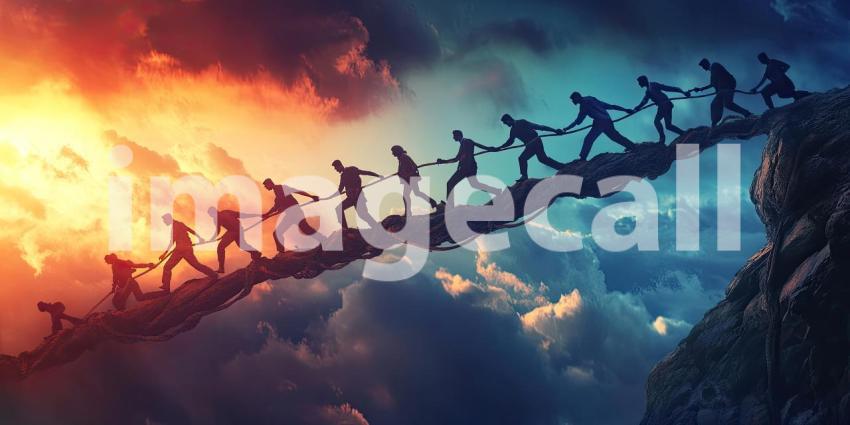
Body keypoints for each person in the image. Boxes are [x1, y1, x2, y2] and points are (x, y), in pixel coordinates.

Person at [563, 92, 637, 161]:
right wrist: (625, 109)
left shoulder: (583, 106)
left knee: (589, 139)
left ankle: (582, 158)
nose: (573, 101)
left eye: (573, 99)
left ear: (577, 97)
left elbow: (578, 121)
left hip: (599, 122)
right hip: (607, 120)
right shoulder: (590, 98)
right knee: (615, 136)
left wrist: (565, 129)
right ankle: (631, 146)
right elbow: (609, 106)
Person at [438, 130, 501, 205]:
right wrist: (443, 161)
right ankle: (496, 191)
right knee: (474, 184)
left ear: (458, 135)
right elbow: (456, 159)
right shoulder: (464, 143)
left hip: (466, 167)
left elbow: (470, 153)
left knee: (450, 184)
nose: (453, 137)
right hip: (470, 167)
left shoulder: (466, 141)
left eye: (454, 136)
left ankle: (450, 205)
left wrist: (491, 149)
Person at [261, 178, 323, 254]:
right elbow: (276, 206)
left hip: (295, 213)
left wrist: (311, 196)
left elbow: (297, 192)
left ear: (269, 184)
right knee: (304, 229)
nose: (265, 187)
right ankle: (281, 252)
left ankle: (323, 239)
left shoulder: (281, 189)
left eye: (266, 185)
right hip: (291, 215)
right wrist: (267, 214)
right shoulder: (278, 193)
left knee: (305, 229)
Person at [497, 114, 565, 183]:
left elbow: (539, 127)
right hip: (529, 146)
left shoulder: (522, 122)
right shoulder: (513, 131)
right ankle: (560, 166)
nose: (506, 124)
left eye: (505, 122)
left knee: (524, 158)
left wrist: (555, 130)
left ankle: (524, 176)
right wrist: (499, 148)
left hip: (536, 141)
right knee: (541, 159)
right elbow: (510, 142)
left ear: (508, 120)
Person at [159, 213, 218, 292]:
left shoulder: (175, 226)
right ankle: (213, 274)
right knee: (196, 265)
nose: (164, 222)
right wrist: (199, 238)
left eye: (164, 220)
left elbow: (172, 241)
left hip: (181, 250)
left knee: (167, 267)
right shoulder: (180, 224)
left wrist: (164, 254)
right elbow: (190, 230)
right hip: (185, 248)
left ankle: (166, 286)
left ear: (168, 219)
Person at [690, 58, 752, 126]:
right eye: (702, 67)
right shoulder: (712, 72)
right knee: (715, 104)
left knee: (727, 104)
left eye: (703, 66)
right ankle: (714, 123)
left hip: (727, 86)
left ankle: (747, 113)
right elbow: (712, 84)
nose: (703, 68)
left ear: (706, 63)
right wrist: (700, 89)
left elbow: (718, 78)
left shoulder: (714, 65)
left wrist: (719, 89)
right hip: (722, 90)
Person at [634, 75, 690, 144]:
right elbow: (644, 101)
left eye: (639, 82)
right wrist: (637, 107)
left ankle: (663, 138)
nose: (639, 84)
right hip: (662, 107)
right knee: (667, 125)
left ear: (643, 81)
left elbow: (669, 88)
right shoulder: (648, 91)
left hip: (666, 105)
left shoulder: (654, 85)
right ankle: (682, 133)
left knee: (659, 122)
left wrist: (683, 92)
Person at [207, 207, 261, 273]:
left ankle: (221, 268)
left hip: (233, 232)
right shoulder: (225, 212)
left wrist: (212, 239)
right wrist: (257, 216)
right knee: (242, 245)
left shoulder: (218, 217)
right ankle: (256, 253)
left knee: (220, 247)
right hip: (237, 230)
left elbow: (218, 230)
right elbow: (240, 216)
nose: (212, 216)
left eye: (211, 214)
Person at [332, 160, 382, 229]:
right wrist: (331, 196)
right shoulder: (343, 176)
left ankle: (376, 226)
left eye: (336, 168)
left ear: (340, 165)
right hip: (351, 198)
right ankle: (345, 229)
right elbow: (340, 190)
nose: (336, 170)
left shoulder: (352, 169)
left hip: (358, 197)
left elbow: (366, 172)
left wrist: (378, 176)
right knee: (339, 209)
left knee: (363, 215)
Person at [391, 145, 438, 215]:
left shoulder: (404, 157)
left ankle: (408, 212)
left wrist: (408, 175)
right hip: (408, 179)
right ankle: (432, 202)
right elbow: (403, 170)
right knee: (416, 193)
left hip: (411, 178)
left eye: (393, 151)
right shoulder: (401, 158)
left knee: (406, 195)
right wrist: (400, 173)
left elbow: (414, 166)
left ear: (397, 151)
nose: (392, 153)